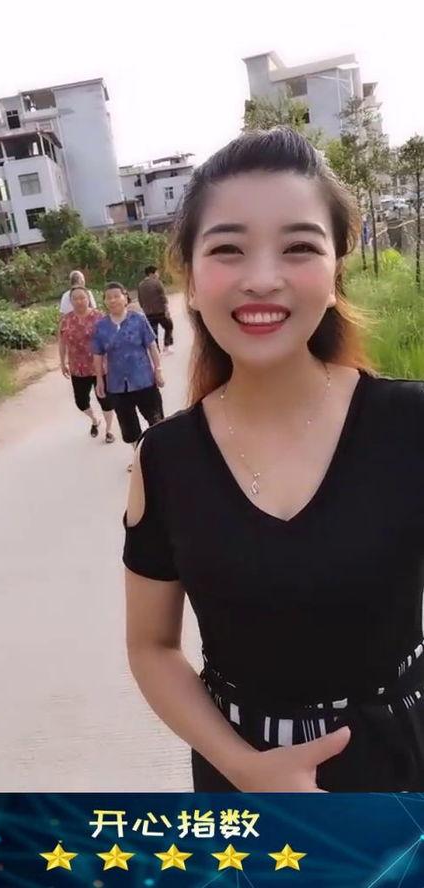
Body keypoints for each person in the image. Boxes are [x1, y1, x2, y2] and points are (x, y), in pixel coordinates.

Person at [123, 127, 424, 793]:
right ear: (191, 282)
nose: (262, 279)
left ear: (335, 274)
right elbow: (152, 646)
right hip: (241, 779)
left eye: (299, 247)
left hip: (404, 767)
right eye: (228, 249)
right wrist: (245, 767)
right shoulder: (166, 460)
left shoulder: (409, 424)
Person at [92, 282, 165, 469]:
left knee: (156, 419)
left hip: (144, 380)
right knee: (129, 426)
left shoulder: (138, 319)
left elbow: (152, 345)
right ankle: (139, 458)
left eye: (116, 296)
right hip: (117, 385)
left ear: (125, 298)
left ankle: (161, 454)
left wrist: (158, 370)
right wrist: (99, 380)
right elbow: (98, 355)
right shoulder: (101, 327)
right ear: (105, 302)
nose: (113, 300)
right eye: (109, 297)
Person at [59, 287, 115, 442]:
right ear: (70, 301)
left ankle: (109, 430)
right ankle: (95, 420)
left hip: (100, 367)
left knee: (105, 400)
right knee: (81, 402)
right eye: (75, 298)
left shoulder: (99, 317)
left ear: (88, 299)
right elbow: (62, 342)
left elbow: (110, 340)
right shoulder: (66, 320)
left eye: (82, 298)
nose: (79, 301)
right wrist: (62, 362)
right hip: (78, 368)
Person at [137, 265, 174, 354]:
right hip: (160, 311)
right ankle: (166, 346)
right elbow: (163, 297)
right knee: (169, 326)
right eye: (157, 272)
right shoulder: (157, 283)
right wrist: (166, 310)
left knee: (154, 331)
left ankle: (157, 350)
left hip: (148, 313)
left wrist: (144, 309)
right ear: (151, 274)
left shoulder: (140, 285)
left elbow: (140, 300)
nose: (158, 275)